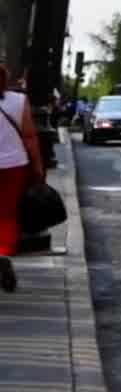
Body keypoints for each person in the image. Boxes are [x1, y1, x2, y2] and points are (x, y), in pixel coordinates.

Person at [0, 62, 45, 292]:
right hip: (14, 165)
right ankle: (3, 254)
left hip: (13, 165)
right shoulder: (18, 101)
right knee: (8, 214)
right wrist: (38, 167)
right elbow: (29, 137)